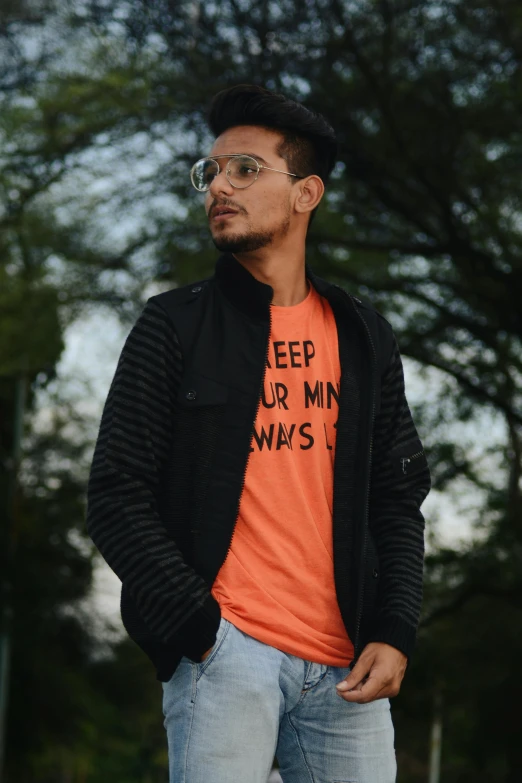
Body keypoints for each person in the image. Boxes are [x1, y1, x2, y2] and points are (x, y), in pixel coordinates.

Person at [86, 84, 431, 783]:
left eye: (244, 168)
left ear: (306, 194)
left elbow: (398, 500)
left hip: (347, 668)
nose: (219, 185)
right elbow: (116, 493)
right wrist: (201, 630)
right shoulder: (174, 326)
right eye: (210, 171)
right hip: (227, 654)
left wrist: (394, 631)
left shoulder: (363, 335)